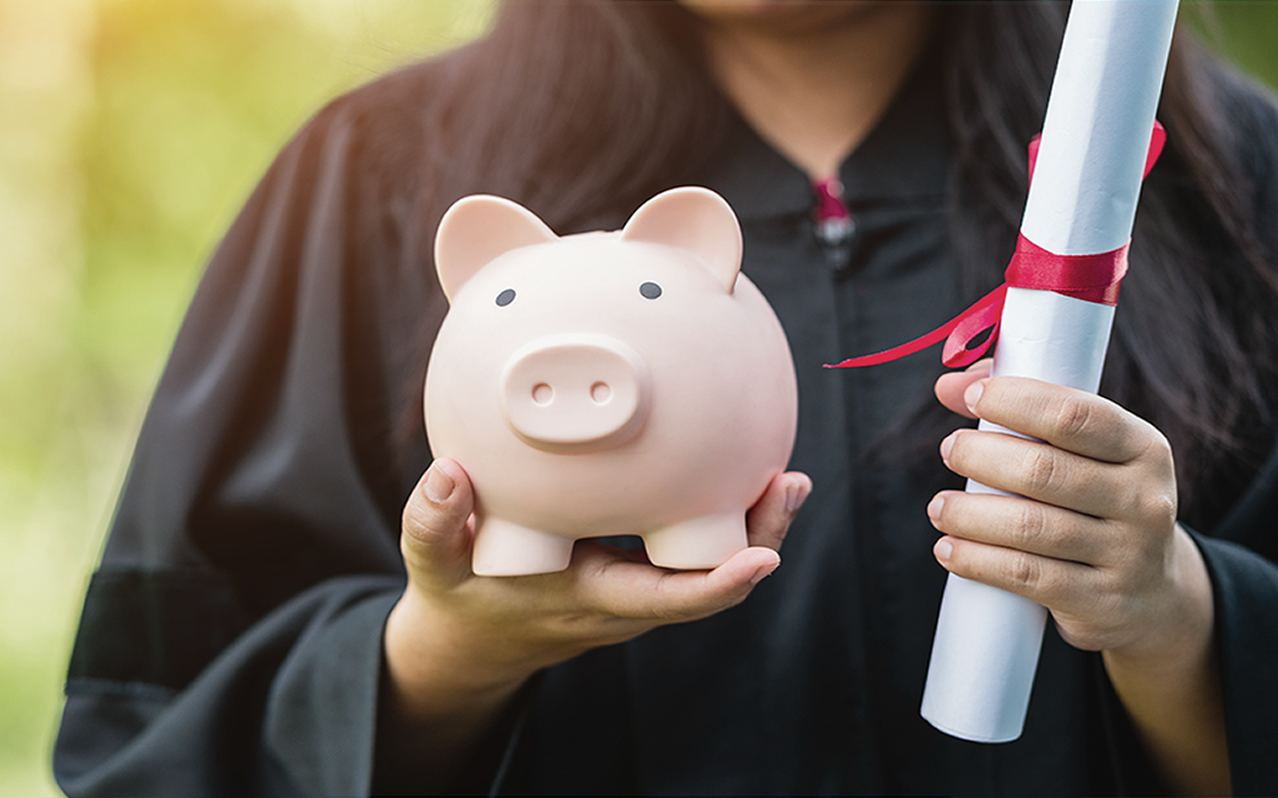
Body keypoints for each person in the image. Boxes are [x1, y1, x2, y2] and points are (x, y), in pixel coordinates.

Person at [54, 2, 1278, 796]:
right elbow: (152, 745)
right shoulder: (376, 175)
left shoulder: (1233, 181)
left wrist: (1178, 620)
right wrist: (445, 654)